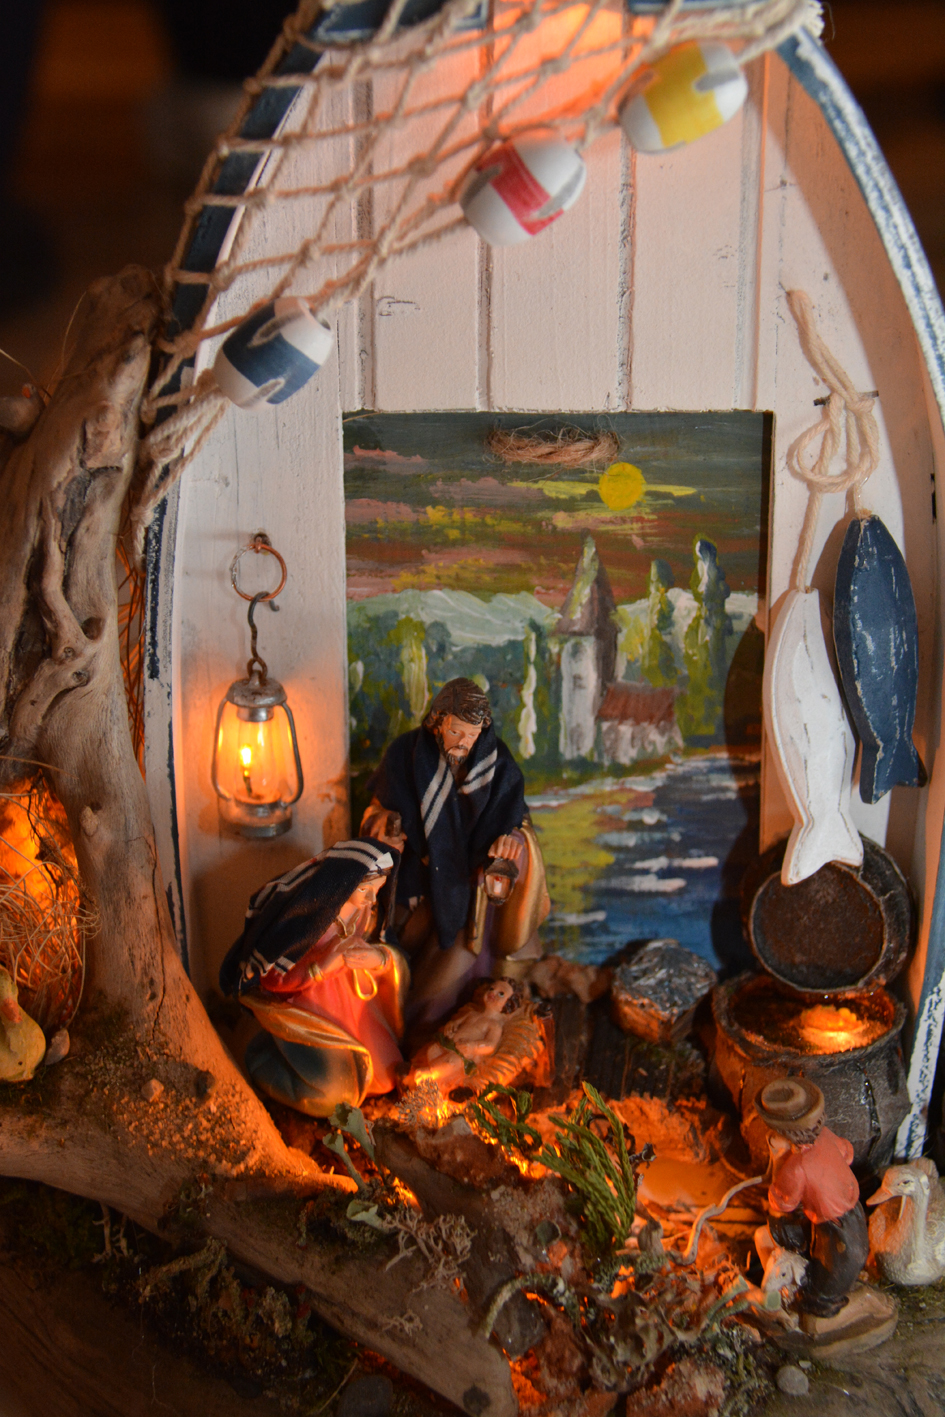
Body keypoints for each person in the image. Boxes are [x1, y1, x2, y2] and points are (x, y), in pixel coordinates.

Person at [360, 678, 549, 1029]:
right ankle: (407, 1025)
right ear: (437, 722)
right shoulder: (405, 755)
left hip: (470, 895)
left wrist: (512, 842)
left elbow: (517, 822)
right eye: (456, 732)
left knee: (452, 983)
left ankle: (447, 1022)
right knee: (406, 970)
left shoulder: (498, 766)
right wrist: (382, 823)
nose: (463, 742)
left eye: (472, 735)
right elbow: (376, 809)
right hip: (415, 884)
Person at [219, 837, 408, 1117]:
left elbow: (377, 944)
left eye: (377, 890)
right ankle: (263, 1059)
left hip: (349, 1001)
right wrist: (320, 968)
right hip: (309, 1007)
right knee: (335, 1095)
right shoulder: (308, 916)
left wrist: (378, 959)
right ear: (345, 881)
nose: (371, 899)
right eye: (366, 889)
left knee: (385, 1074)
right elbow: (271, 976)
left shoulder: (364, 910)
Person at [756, 1077, 868, 1319]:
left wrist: (778, 1175)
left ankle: (818, 1301)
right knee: (850, 1258)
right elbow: (847, 1153)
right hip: (855, 1211)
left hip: (833, 1227)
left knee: (828, 1276)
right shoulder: (826, 1135)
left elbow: (783, 1200)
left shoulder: (797, 1167)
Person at [404, 977, 546, 1095]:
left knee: (450, 1063)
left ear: (508, 1004)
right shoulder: (472, 1013)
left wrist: (473, 1046)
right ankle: (426, 1078)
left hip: (463, 1056)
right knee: (433, 1050)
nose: (493, 993)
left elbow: (490, 1045)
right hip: (449, 1045)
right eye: (492, 989)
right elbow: (456, 1023)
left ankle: (428, 1074)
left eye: (501, 994)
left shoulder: (494, 1026)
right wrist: (451, 1026)